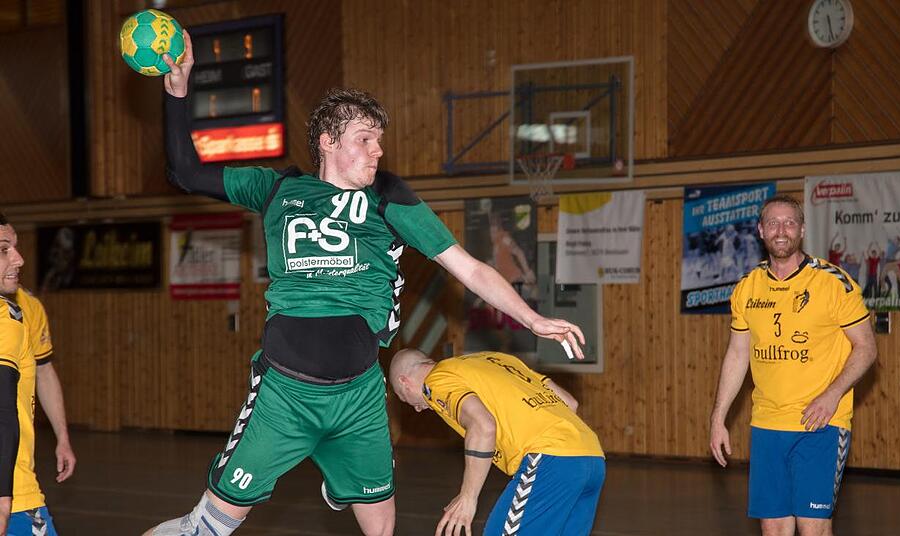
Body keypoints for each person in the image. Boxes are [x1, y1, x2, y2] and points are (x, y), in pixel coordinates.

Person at [144, 32, 584, 536]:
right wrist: (178, 92)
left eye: (379, 140)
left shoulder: (388, 197)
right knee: (208, 528)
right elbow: (185, 171)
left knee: (381, 530)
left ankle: (339, 468)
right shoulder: (277, 188)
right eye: (365, 139)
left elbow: (470, 268)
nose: (378, 151)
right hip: (284, 392)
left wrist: (532, 318)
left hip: (359, 397)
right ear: (328, 141)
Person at [709, 195, 877, 536]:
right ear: (760, 230)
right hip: (767, 425)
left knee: (813, 529)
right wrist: (718, 417)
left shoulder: (833, 282)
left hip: (821, 425)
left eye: (789, 223)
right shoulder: (746, 288)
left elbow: (867, 348)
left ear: (801, 229)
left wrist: (832, 395)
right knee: (773, 530)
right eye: (773, 223)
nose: (781, 230)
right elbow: (738, 354)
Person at [389, 349, 604, 536]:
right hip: (591, 455)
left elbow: (483, 426)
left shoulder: (436, 380)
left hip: (550, 458)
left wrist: (468, 497)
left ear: (404, 382)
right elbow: (569, 402)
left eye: (404, 399)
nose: (417, 408)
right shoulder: (497, 359)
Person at [0, 213, 77, 535]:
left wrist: (62, 437)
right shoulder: (7, 319)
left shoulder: (28, 308)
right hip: (14, 491)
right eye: (4, 249)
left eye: (15, 247)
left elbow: (44, 371)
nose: (19, 258)